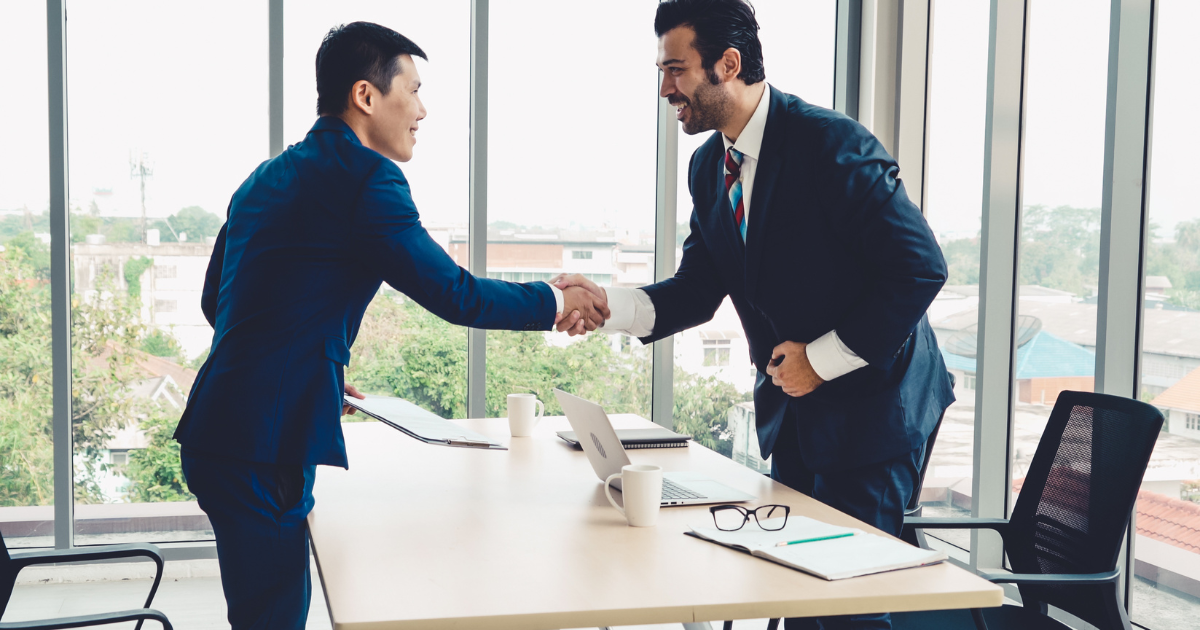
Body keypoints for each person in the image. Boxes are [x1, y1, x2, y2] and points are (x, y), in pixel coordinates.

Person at [173, 21, 608, 630]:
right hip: (261, 446)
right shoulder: (368, 180)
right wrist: (553, 300)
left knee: (262, 609)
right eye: (414, 90)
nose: (423, 110)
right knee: (271, 618)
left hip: (221, 432)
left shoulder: (264, 178)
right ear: (366, 96)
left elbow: (216, 303)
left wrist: (310, 371)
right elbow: (454, 294)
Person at [556, 2, 953, 628]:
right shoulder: (710, 168)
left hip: (876, 408)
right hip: (796, 409)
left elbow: (919, 268)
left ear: (728, 65)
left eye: (675, 70)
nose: (665, 89)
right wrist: (609, 308)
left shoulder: (830, 144)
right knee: (796, 591)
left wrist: (819, 363)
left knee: (848, 607)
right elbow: (695, 289)